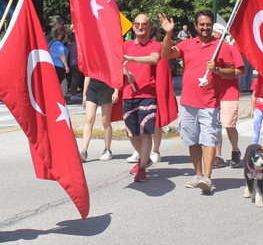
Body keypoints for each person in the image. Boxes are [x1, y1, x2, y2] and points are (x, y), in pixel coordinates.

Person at [160, 10, 235, 193]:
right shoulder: (187, 44)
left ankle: (207, 179)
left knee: (208, 139)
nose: (205, 28)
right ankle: (199, 175)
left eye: (208, 24)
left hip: (210, 103)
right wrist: (168, 33)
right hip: (187, 103)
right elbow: (166, 54)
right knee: (192, 140)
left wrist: (217, 69)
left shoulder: (221, 46)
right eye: (202, 24)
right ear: (195, 26)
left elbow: (232, 72)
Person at [123, 14, 162, 182]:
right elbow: (116, 64)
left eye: (144, 24)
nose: (140, 27)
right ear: (133, 26)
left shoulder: (155, 45)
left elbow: (154, 59)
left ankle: (142, 167)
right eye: (137, 24)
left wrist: (132, 58)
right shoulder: (125, 44)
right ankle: (143, 158)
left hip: (148, 94)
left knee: (145, 133)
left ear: (149, 27)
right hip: (128, 94)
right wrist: (126, 73)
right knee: (132, 134)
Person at [212, 25, 245, 169]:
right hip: (213, 92)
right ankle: (218, 156)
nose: (210, 34)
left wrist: (222, 72)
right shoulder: (210, 51)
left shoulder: (231, 49)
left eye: (213, 32)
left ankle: (235, 150)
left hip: (229, 93)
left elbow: (240, 70)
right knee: (216, 126)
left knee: (229, 125)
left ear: (219, 34)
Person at [80, 77, 119, 162]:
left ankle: (107, 150)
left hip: (107, 86)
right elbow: (87, 75)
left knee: (105, 121)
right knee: (89, 119)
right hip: (92, 87)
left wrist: (116, 91)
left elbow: (115, 73)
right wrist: (84, 93)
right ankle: (84, 151)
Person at [67, 31, 82, 100]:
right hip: (77, 63)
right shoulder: (77, 45)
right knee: (76, 79)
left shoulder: (70, 44)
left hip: (71, 63)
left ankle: (73, 93)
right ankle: (74, 94)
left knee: (73, 78)